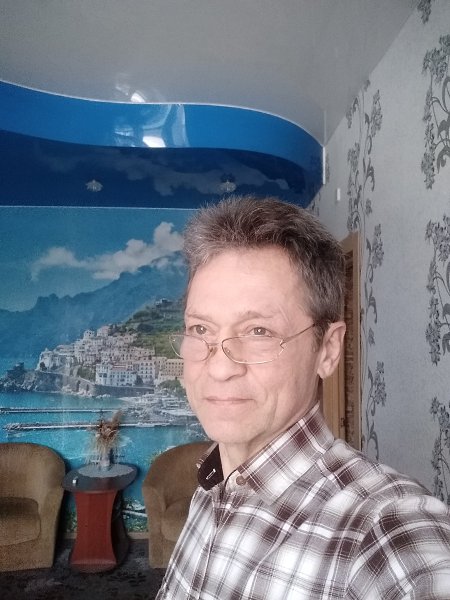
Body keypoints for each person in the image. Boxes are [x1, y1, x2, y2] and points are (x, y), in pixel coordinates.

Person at [156, 195, 450, 599]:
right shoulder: (212, 483)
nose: (219, 368)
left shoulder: (379, 530)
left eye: (259, 331)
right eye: (201, 329)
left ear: (327, 350)